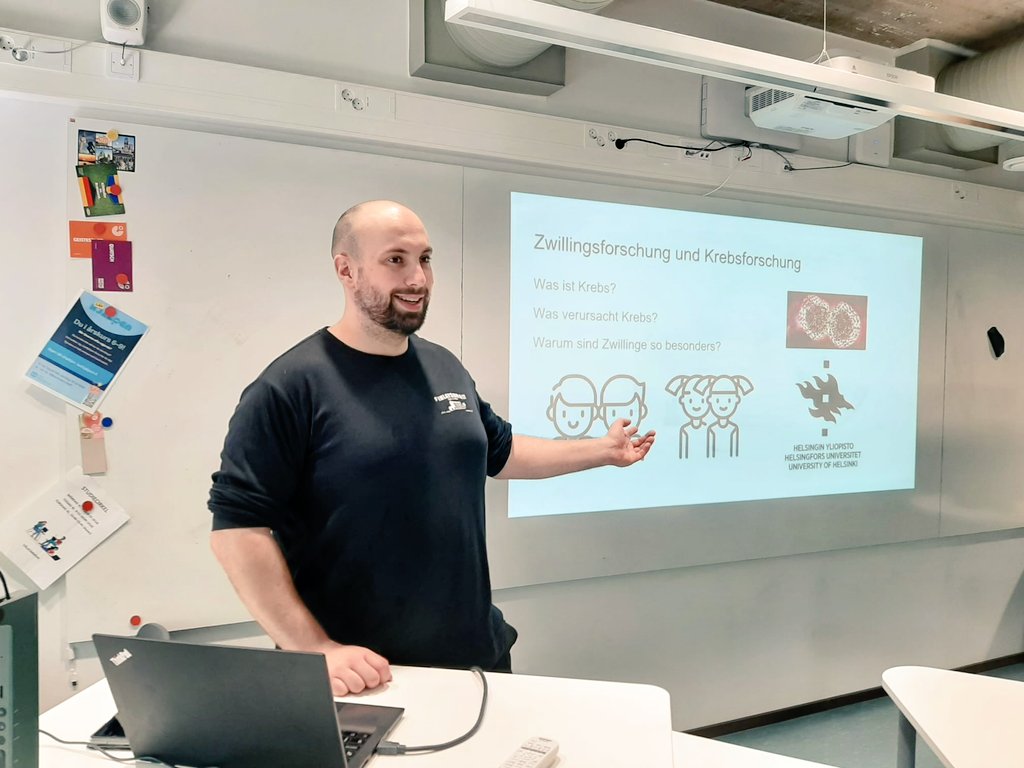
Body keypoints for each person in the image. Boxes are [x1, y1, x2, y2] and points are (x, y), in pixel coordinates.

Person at [207, 200, 655, 697]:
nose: (418, 278)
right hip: (365, 675)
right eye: (395, 260)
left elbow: (498, 452)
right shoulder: (290, 387)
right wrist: (315, 649)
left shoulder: (443, 366)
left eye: (425, 258)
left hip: (476, 657)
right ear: (346, 269)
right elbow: (238, 531)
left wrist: (604, 451)